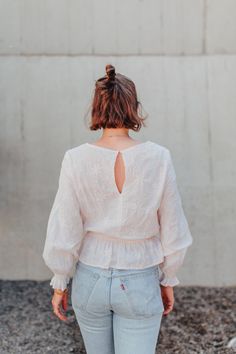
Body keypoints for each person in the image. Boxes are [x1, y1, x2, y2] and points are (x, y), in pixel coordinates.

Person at [42, 64, 193, 354]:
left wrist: (60, 281)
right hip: (139, 279)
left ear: (96, 107)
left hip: (90, 280)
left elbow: (65, 224)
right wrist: (168, 278)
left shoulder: (75, 159)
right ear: (134, 107)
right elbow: (173, 225)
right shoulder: (158, 157)